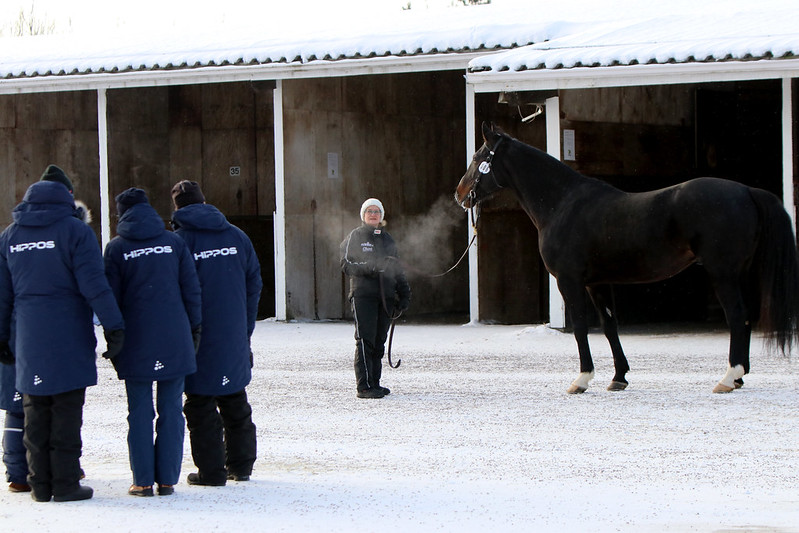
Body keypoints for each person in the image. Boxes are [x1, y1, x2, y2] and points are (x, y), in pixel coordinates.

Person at [0, 165, 125, 503]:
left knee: (35, 412)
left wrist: (2, 338)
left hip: (27, 337)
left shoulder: (10, 235)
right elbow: (95, 287)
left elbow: (3, 294)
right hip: (68, 334)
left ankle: (40, 485)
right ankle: (67, 483)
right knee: (67, 411)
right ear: (68, 196)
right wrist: (114, 326)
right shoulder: (76, 232)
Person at [103, 188, 202, 497]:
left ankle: (143, 480)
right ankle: (168, 479)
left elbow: (110, 300)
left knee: (140, 412)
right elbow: (192, 290)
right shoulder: (174, 243)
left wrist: (114, 336)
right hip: (175, 335)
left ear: (122, 214)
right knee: (172, 409)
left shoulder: (116, 249)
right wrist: (194, 329)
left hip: (136, 339)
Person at [170, 180, 262, 487]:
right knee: (235, 398)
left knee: (200, 403)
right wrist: (244, 327)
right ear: (204, 200)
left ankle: (211, 472)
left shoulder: (179, 242)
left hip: (197, 337)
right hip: (233, 333)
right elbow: (254, 284)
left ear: (178, 208)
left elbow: (174, 294)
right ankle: (242, 465)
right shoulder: (237, 237)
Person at [340, 198, 411, 399]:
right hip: (364, 296)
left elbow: (397, 269)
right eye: (369, 211)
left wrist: (404, 293)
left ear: (381, 216)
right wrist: (370, 267)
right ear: (363, 215)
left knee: (379, 340)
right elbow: (345, 264)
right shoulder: (354, 237)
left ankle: (375, 383)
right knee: (365, 340)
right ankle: (364, 386)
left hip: (385, 297)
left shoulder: (388, 239)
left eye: (377, 211)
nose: (373, 214)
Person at [1, 321, 28, 493]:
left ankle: (17, 475)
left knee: (15, 410)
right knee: (56, 409)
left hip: (9, 340)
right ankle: (61, 468)